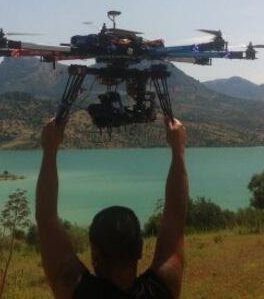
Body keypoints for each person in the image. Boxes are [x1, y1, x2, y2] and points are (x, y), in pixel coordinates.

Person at [36, 116, 188, 298]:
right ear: (140, 249)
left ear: (95, 257)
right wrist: (178, 150)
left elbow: (46, 219)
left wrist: (50, 149)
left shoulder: (74, 287)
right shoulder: (163, 287)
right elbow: (175, 220)